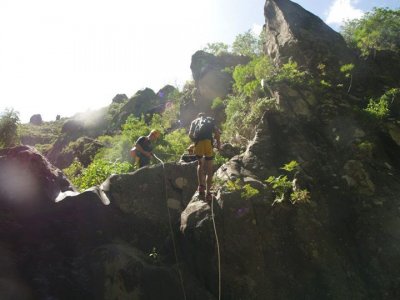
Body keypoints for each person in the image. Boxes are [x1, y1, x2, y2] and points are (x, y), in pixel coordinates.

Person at [189, 113, 221, 202]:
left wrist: (195, 143)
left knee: (200, 163)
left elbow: (190, 135)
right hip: (208, 143)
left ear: (198, 116)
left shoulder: (194, 122)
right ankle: (208, 193)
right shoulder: (210, 120)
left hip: (198, 144)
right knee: (209, 169)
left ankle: (201, 187)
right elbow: (217, 133)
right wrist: (218, 144)